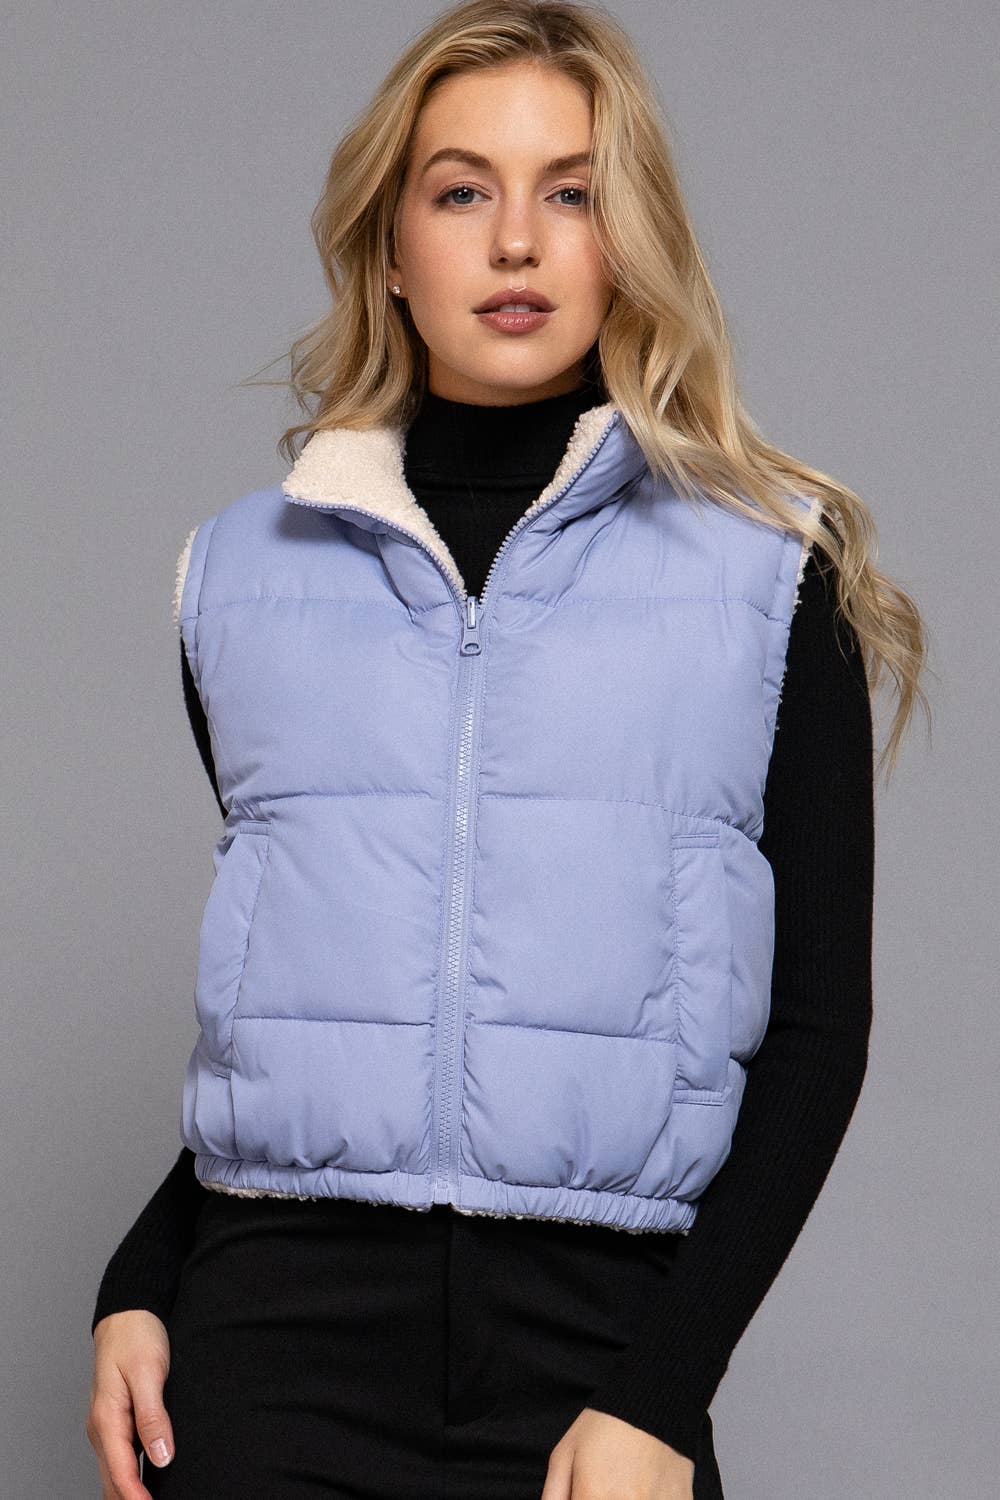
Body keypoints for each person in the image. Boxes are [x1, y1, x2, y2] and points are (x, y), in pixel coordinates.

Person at [86, 3, 928, 1497]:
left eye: (574, 192)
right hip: (270, 1355)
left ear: (630, 240)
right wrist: (142, 1275)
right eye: (462, 190)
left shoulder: (768, 574)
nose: (518, 241)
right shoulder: (241, 579)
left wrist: (661, 1394)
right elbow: (302, 1021)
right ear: (389, 247)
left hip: (600, 1354)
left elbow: (816, 1034)